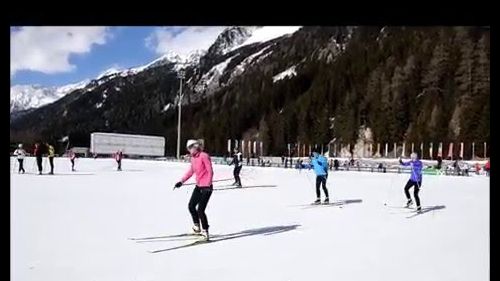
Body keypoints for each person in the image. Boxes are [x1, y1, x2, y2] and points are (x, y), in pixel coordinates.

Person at [174, 139, 214, 241]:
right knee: (191, 206)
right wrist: (181, 181)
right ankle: (197, 227)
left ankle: (205, 230)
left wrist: (208, 183)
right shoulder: (193, 159)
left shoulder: (204, 156)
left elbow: (210, 171)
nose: (189, 150)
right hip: (199, 186)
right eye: (188, 148)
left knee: (200, 210)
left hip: (207, 187)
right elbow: (190, 172)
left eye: (191, 148)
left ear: (195, 147)